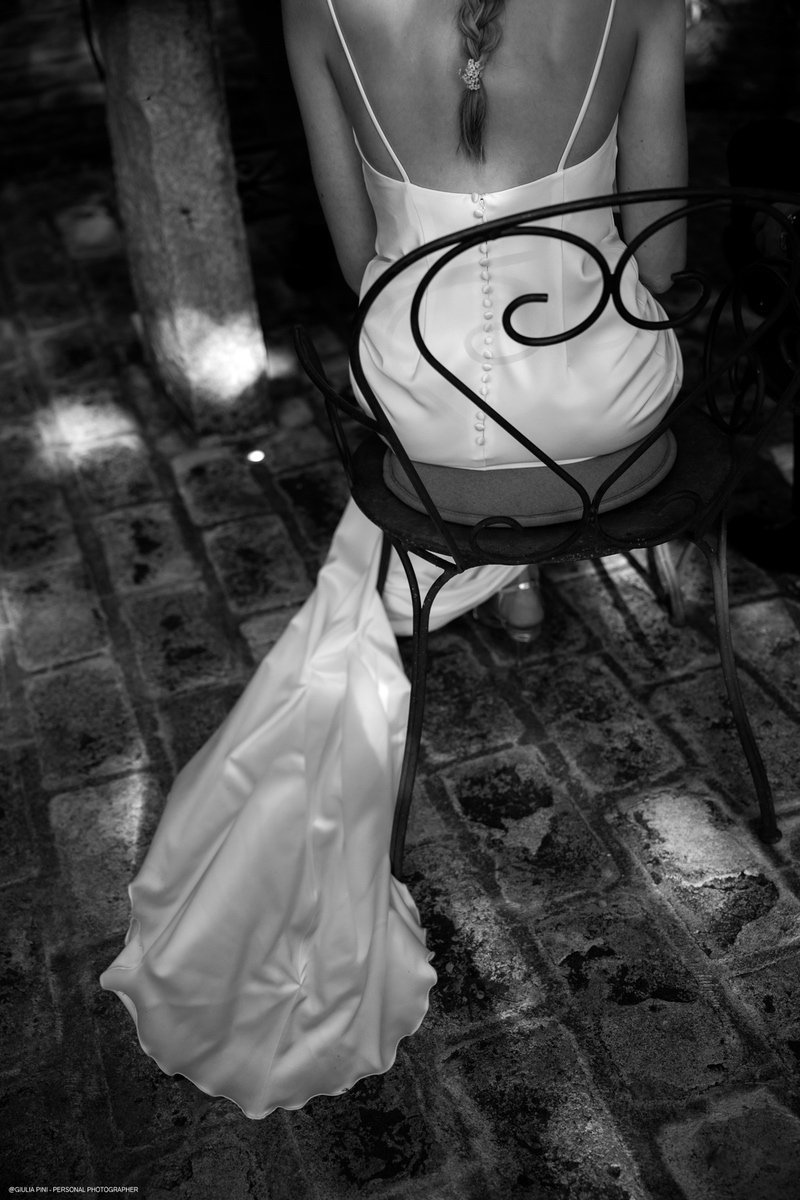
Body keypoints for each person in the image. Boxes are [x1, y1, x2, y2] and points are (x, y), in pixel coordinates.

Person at [100, 0, 688, 1119]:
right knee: (567, 362)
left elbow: (356, 258)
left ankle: (499, 566)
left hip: (429, 415)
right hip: (604, 424)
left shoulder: (316, 7)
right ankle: (522, 570)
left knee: (438, 390)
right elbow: (661, 250)